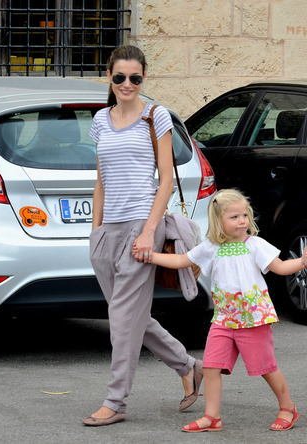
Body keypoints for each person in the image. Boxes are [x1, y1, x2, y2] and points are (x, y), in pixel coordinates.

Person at [83, 45, 203, 427]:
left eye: (135, 77)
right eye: (120, 77)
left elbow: (166, 179)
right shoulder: (101, 119)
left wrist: (150, 231)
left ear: (143, 78)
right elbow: (101, 178)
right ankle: (189, 367)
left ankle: (116, 402)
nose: (127, 84)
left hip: (141, 227)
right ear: (109, 77)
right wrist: (95, 231)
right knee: (132, 316)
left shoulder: (156, 116)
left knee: (120, 318)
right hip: (108, 233)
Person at [134, 188, 307, 432]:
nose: (242, 221)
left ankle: (288, 408)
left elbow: (279, 267)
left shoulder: (255, 245)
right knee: (211, 367)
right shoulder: (210, 247)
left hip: (253, 319)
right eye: (234, 217)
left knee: (265, 367)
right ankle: (212, 417)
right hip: (223, 319)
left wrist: (301, 262)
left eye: (244, 216)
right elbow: (182, 261)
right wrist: (151, 257)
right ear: (218, 221)